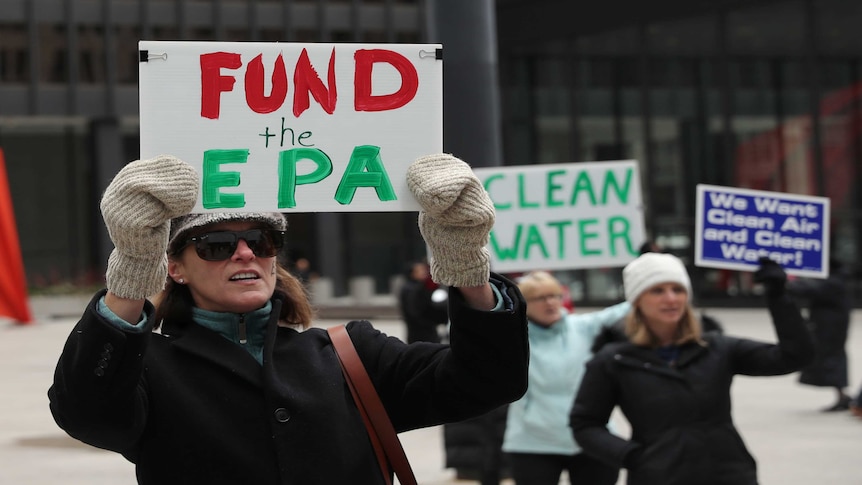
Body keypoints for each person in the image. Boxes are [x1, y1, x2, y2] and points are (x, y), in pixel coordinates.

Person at [47, 153, 530, 485]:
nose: (244, 253)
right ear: (174, 267)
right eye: (217, 245)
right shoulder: (149, 366)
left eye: (261, 241)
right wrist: (131, 270)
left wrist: (466, 261)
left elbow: (487, 381)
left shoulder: (350, 355)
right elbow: (89, 415)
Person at [570, 253, 815, 485]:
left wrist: (779, 297)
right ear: (637, 301)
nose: (671, 298)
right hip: (659, 478)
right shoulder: (614, 359)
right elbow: (585, 423)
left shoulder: (716, 347)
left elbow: (794, 357)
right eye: (657, 290)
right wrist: (632, 456)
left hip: (730, 475)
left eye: (678, 289)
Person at [502, 271, 629, 485]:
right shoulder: (511, 337)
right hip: (531, 442)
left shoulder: (583, 327)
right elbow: (464, 330)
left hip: (590, 439)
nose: (551, 302)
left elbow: (628, 308)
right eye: (540, 298)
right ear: (523, 303)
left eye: (555, 295)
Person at [785, 258, 853, 412]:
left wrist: (786, 282)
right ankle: (842, 395)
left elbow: (811, 289)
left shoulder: (834, 282)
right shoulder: (836, 279)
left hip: (831, 329)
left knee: (832, 360)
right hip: (829, 327)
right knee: (831, 359)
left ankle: (844, 396)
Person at [398, 260, 448, 343]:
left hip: (428, 330)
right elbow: (414, 310)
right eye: (419, 271)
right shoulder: (410, 289)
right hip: (419, 331)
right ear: (412, 273)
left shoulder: (421, 286)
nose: (423, 273)